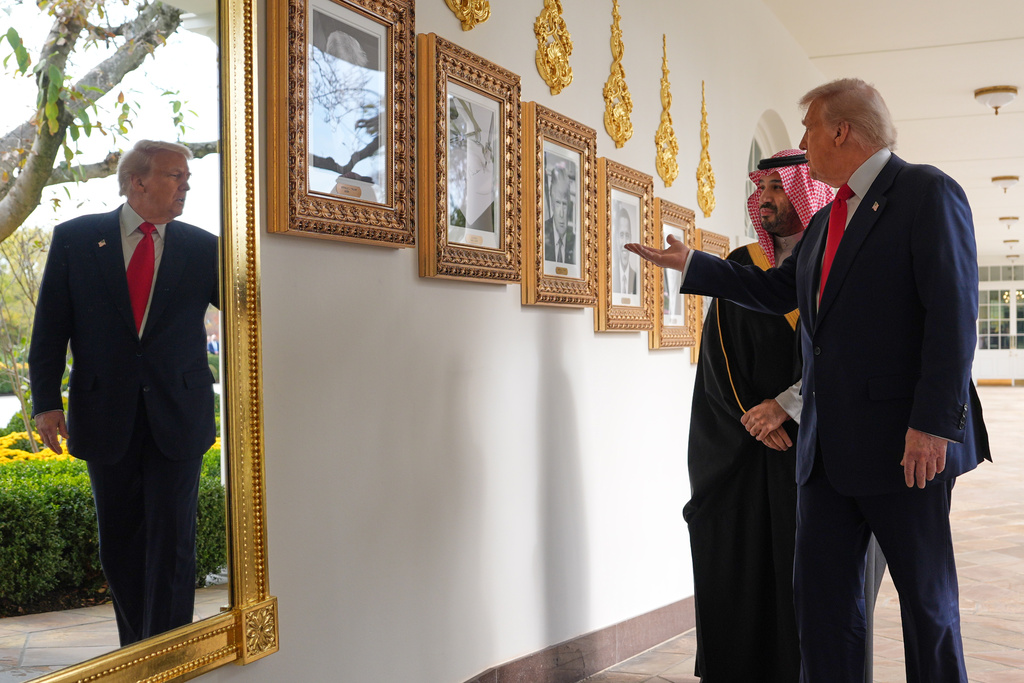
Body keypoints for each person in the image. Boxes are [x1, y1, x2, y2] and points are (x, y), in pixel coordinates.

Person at [628, 79, 990, 683]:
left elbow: (953, 319)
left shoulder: (926, 192)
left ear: (841, 131)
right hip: (824, 458)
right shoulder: (828, 221)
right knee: (823, 611)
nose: (802, 143)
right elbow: (776, 292)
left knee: (927, 607)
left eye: (808, 131)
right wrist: (695, 265)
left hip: (905, 452)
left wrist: (931, 425)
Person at [29, 139, 220, 646]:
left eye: (186, 176)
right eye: (175, 175)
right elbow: (50, 327)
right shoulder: (75, 238)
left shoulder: (206, 248)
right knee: (119, 543)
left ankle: (170, 652)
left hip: (179, 415)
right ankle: (137, 652)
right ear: (138, 181)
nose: (186, 185)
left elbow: (255, 314)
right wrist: (46, 402)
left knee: (174, 544)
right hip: (103, 413)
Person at [685, 150, 832, 682]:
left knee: (807, 577)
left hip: (811, 444)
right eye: (762, 187)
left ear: (805, 193)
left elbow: (843, 354)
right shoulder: (745, 266)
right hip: (743, 451)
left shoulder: (836, 262)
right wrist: (753, 418)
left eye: (778, 187)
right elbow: (717, 353)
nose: (767, 198)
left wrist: (787, 411)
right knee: (737, 565)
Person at [544, 165, 575, 264]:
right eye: (557, 203)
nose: (561, 213)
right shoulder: (541, 233)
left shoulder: (575, 243)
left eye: (564, 204)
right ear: (552, 203)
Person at [611, 206, 638, 295]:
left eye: (627, 236)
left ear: (631, 238)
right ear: (616, 239)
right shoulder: (610, 276)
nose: (625, 243)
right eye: (621, 235)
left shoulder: (637, 278)